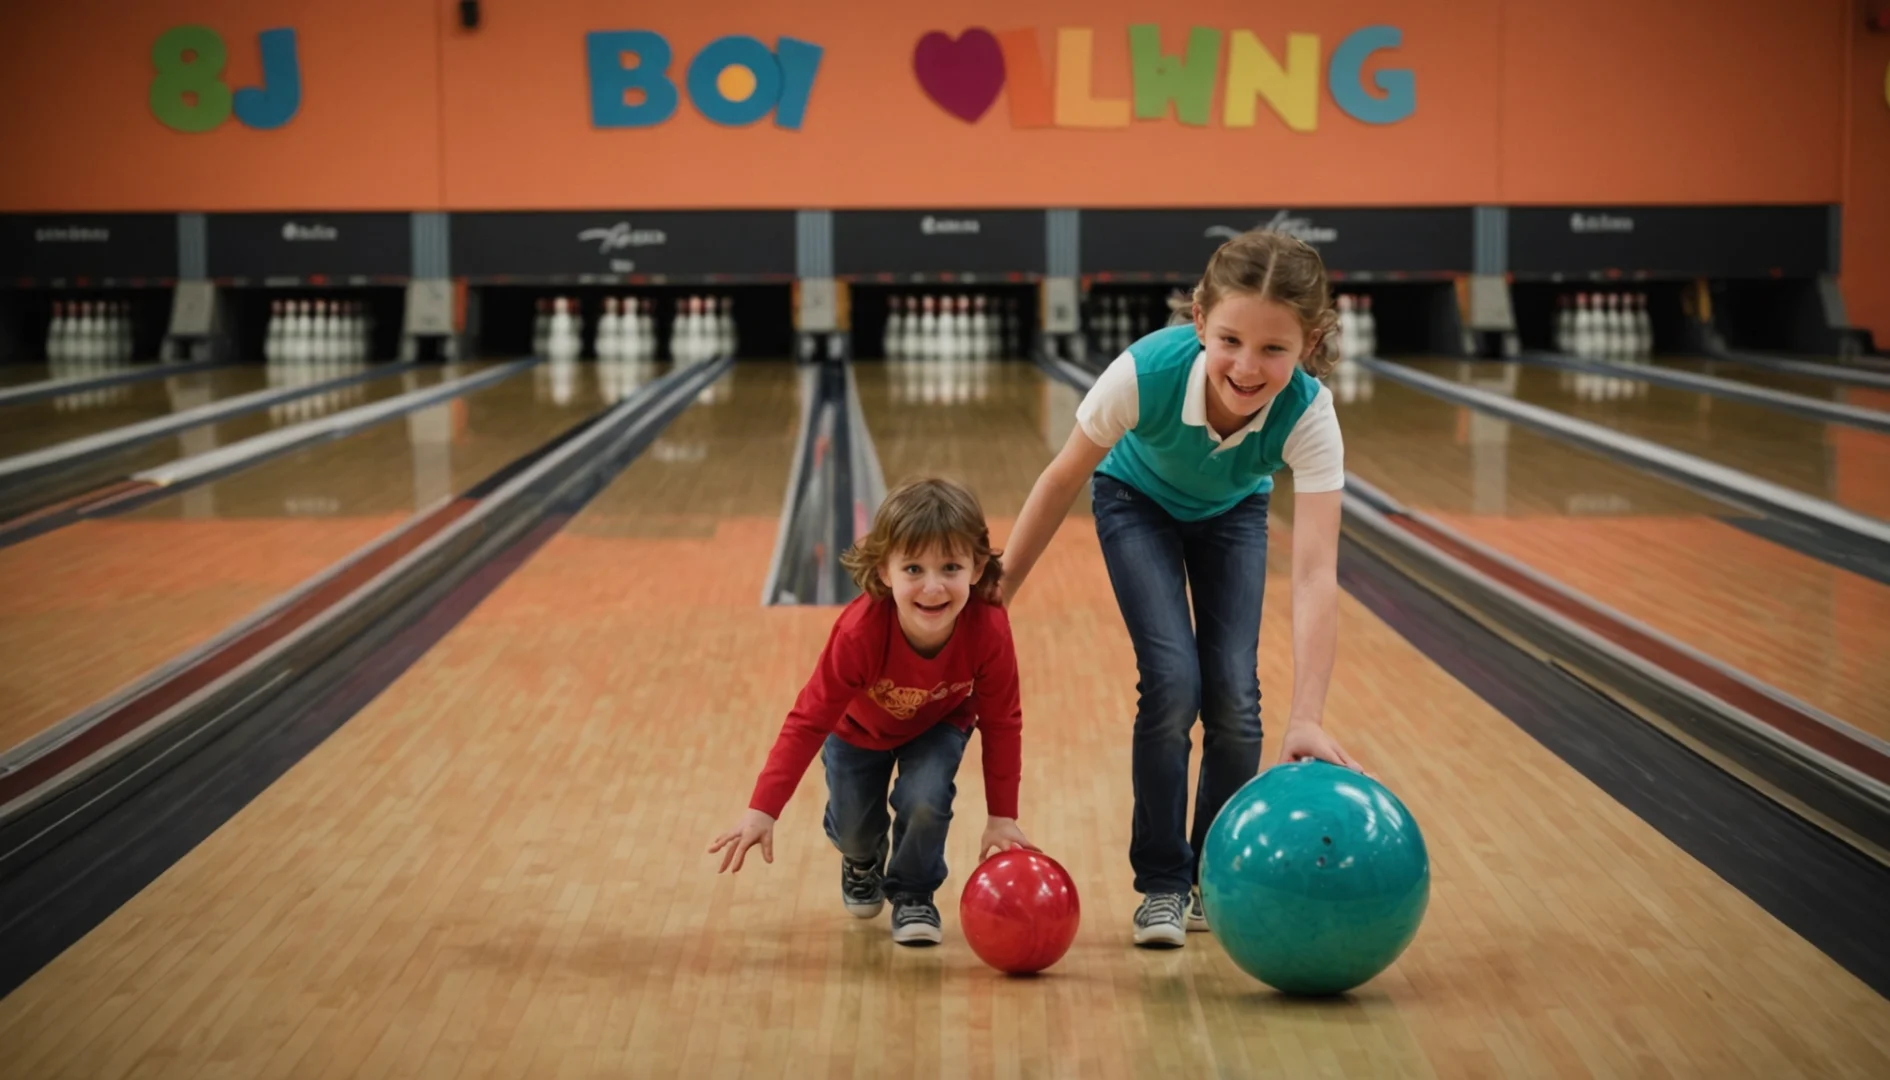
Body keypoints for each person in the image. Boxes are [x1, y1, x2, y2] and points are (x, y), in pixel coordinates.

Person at [1001, 229, 1359, 948]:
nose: (1247, 367)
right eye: (1230, 339)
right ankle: (1163, 883)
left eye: (1274, 349)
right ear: (1198, 320)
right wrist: (996, 594)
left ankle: (1209, 877)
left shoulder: (1311, 414)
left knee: (1238, 703)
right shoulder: (1144, 372)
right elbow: (1061, 478)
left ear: (1310, 342)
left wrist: (1309, 716)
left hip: (1233, 513)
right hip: (1136, 503)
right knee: (1171, 683)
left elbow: (1318, 571)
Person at [710, 477, 1033, 945]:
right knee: (856, 832)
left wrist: (1002, 816)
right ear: (884, 572)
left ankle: (915, 893)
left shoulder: (989, 629)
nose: (933, 586)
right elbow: (808, 719)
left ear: (978, 567)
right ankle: (861, 859)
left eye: (950, 567)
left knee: (926, 799)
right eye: (914, 569)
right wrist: (763, 810)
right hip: (856, 732)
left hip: (939, 723)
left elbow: (1003, 721)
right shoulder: (858, 634)